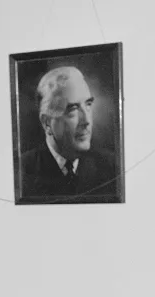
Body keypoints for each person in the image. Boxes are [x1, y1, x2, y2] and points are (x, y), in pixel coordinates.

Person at [19, 65, 118, 199]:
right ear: (47, 123)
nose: (87, 121)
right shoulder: (22, 172)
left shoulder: (111, 167)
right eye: (72, 109)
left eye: (88, 105)